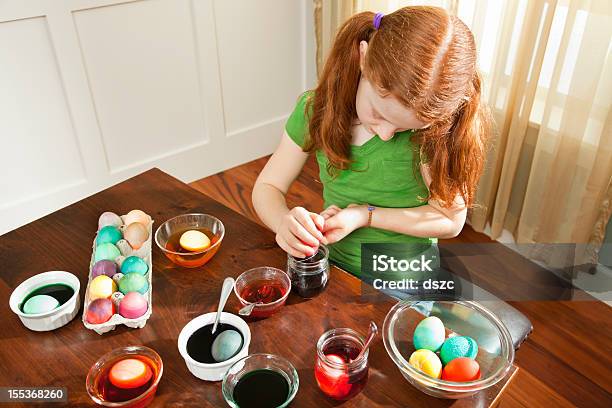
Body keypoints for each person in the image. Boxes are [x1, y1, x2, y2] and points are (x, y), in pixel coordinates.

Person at [252, 7, 490, 280]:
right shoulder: (315, 110)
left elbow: (449, 220)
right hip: (333, 265)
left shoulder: (435, 136)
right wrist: (283, 221)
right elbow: (267, 187)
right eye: (378, 113)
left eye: (405, 127)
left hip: (404, 281)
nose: (387, 134)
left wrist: (365, 215)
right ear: (364, 58)